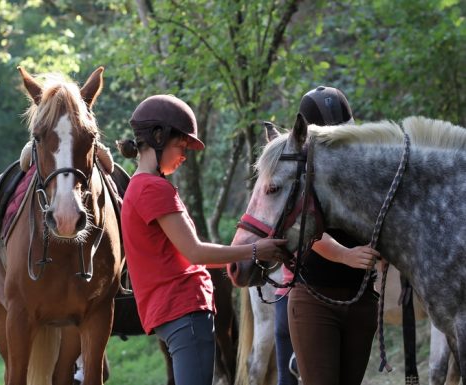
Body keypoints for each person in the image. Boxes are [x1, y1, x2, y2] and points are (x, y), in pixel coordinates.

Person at [117, 94, 288, 385]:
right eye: (180, 146)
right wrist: (257, 249)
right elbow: (195, 252)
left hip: (170, 312)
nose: (184, 155)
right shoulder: (154, 189)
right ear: (158, 137)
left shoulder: (137, 187)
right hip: (184, 309)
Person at [286, 86, 381, 385]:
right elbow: (304, 228)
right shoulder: (302, 173)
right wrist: (347, 255)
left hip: (361, 299)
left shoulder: (368, 169)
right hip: (315, 297)